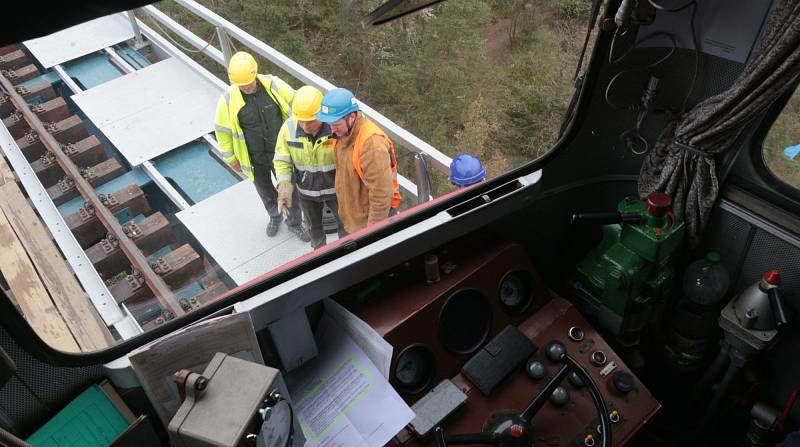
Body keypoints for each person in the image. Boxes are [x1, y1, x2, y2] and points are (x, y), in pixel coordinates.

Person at [213, 51, 309, 241]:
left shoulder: (273, 85)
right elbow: (222, 131)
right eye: (242, 86)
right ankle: (275, 215)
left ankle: (295, 222)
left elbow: (296, 100)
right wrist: (231, 158)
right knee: (264, 189)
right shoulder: (227, 101)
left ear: (255, 74)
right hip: (253, 157)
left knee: (288, 188)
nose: (247, 88)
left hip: (280, 153)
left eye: (249, 83)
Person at [316, 88, 401, 234]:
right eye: (330, 125)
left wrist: (372, 233)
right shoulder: (343, 134)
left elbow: (381, 195)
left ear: (352, 117)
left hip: (370, 223)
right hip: (353, 219)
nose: (332, 130)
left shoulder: (372, 145)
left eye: (336, 125)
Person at [274, 86, 344, 249]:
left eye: (310, 121)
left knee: (345, 224)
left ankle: (348, 252)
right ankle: (320, 256)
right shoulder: (289, 128)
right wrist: (284, 186)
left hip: (338, 190)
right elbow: (281, 160)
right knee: (314, 229)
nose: (305, 126)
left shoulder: (335, 127)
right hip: (307, 193)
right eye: (301, 120)